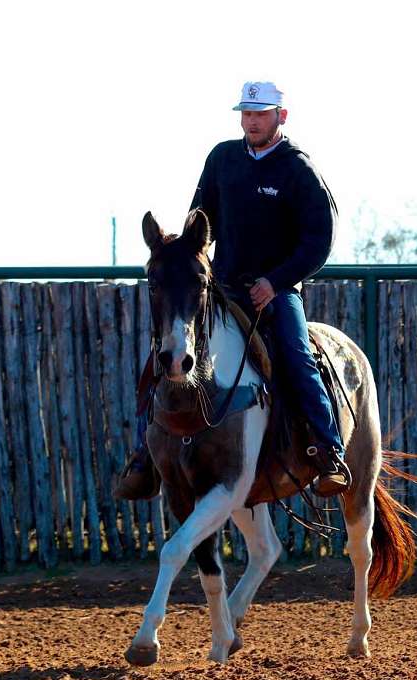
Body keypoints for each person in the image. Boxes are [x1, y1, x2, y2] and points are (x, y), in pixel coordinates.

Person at [115, 80, 351, 500]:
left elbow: (320, 239)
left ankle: (329, 452)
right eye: (246, 113)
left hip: (276, 293)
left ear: (281, 116)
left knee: (297, 356)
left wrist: (275, 282)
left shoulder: (298, 170)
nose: (251, 121)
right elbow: (199, 222)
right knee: (161, 357)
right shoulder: (222, 159)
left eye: (260, 114)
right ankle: (143, 455)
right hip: (221, 288)